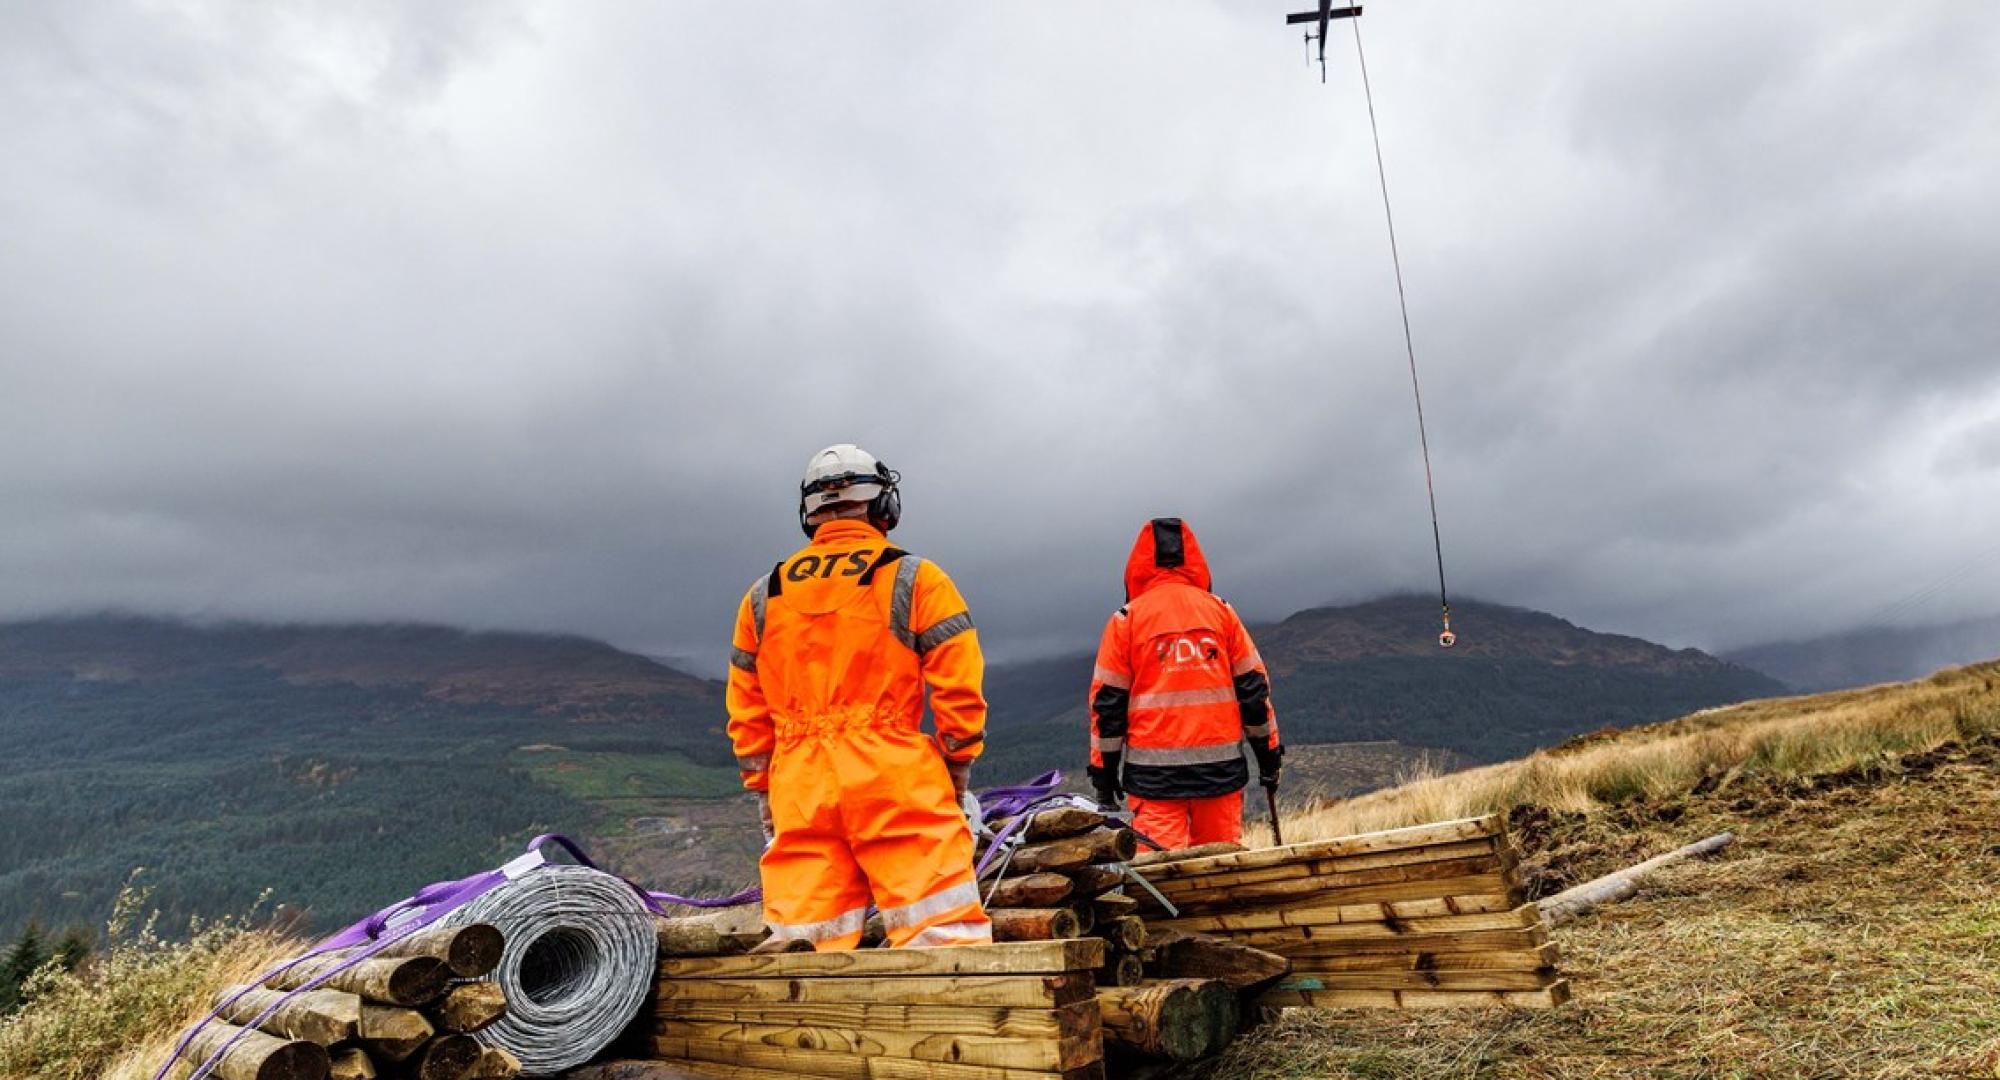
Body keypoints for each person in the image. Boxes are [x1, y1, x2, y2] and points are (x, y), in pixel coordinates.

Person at [724, 443, 993, 949]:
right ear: (882, 505)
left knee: (803, 951)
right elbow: (959, 685)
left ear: (809, 514)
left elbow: (747, 709)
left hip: (800, 789)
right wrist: (957, 764)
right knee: (942, 942)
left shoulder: (764, 595)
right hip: (894, 781)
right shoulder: (915, 578)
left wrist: (764, 790)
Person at [1087, 517, 1283, 850]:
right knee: (1222, 874)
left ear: (1138, 565)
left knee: (1163, 882)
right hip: (1219, 775)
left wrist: (1104, 779)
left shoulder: (1126, 620)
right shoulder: (1222, 613)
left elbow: (1107, 708)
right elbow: (1253, 692)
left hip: (1154, 781)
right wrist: (1269, 759)